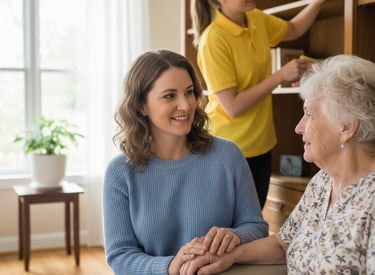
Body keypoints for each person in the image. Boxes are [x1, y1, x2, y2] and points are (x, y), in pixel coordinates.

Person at [178, 54, 375, 275]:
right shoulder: (322, 182)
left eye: (309, 115)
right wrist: (230, 255)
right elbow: (282, 244)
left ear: (346, 127)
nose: (298, 128)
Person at [102, 49, 268, 275]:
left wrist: (234, 236)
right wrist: (171, 266)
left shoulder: (228, 155)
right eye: (170, 96)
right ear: (141, 106)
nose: (187, 105)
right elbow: (120, 255)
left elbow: (257, 228)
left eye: (189, 92)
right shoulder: (120, 172)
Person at [190, 0, 325, 208]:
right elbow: (232, 106)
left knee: (253, 223)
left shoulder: (257, 19)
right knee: (228, 228)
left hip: (262, 144)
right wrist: (280, 76)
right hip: (230, 148)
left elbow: (295, 28)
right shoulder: (213, 39)